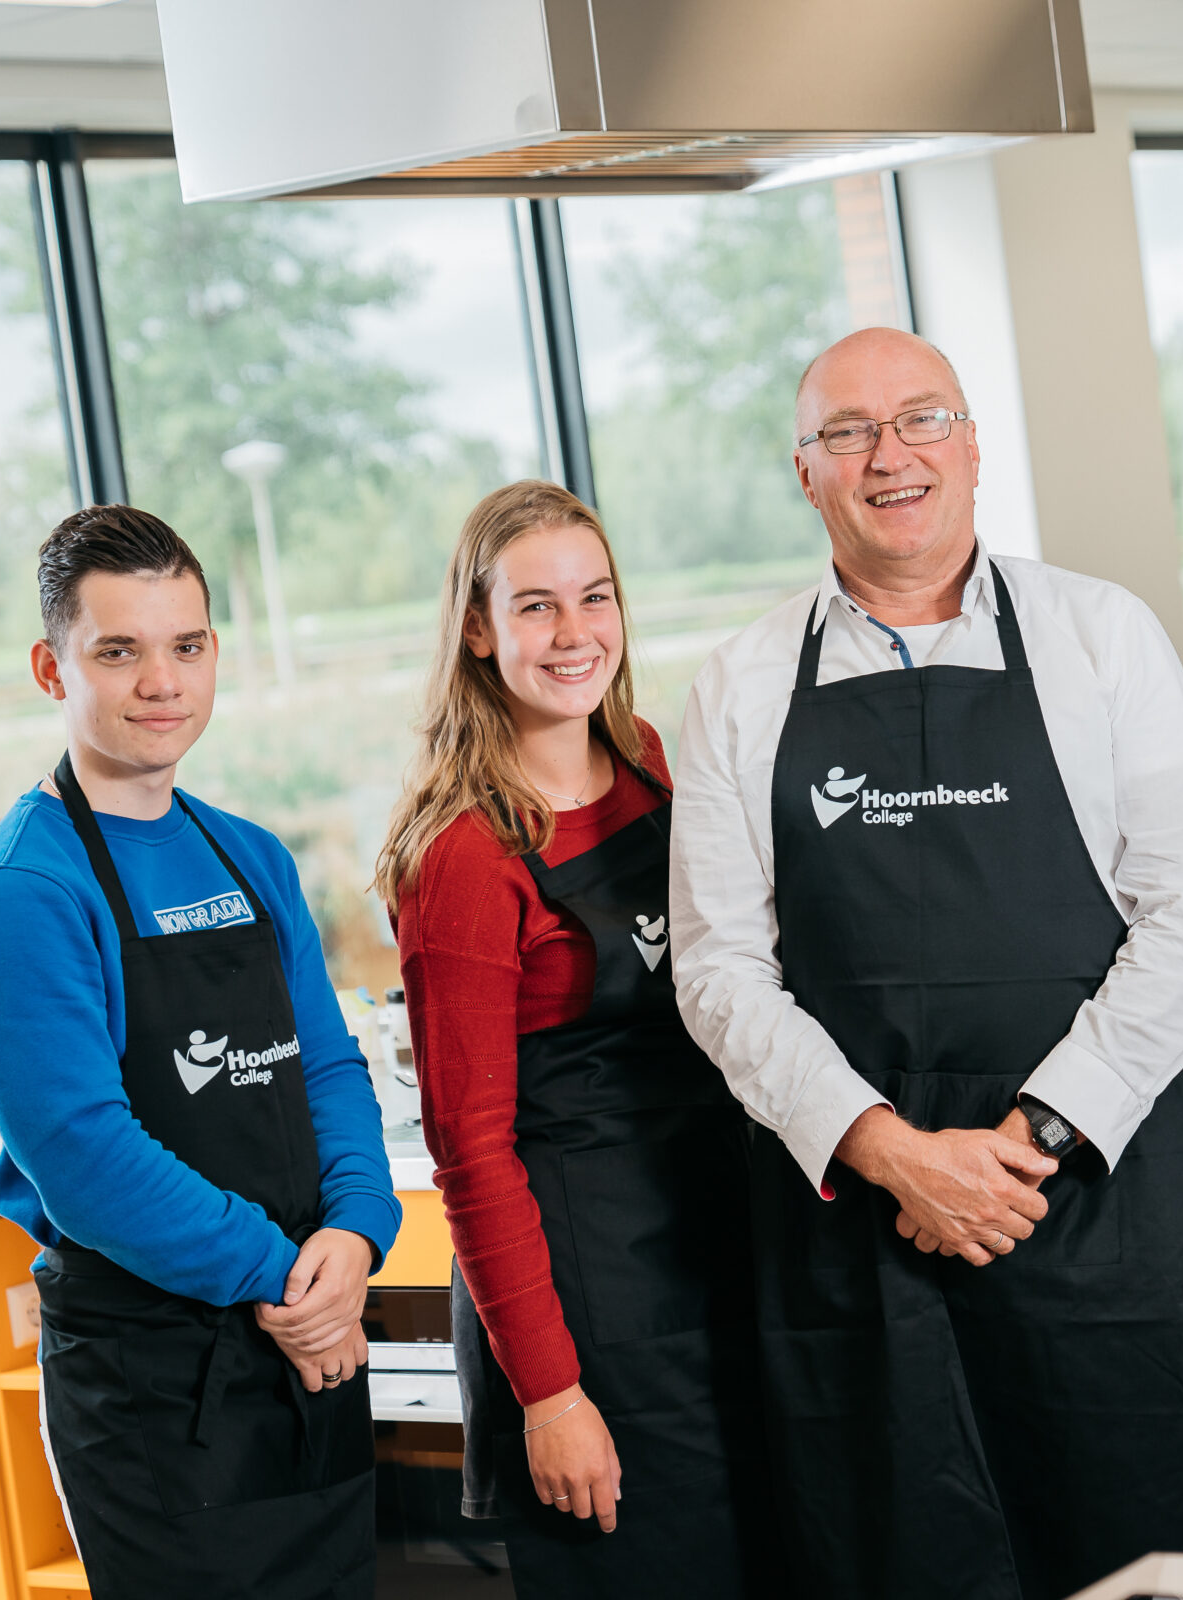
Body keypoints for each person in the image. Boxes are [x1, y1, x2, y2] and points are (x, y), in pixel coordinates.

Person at [668, 327, 1183, 1600]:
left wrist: (1027, 1142)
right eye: (849, 433)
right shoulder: (742, 685)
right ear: (803, 472)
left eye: (922, 419)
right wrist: (897, 1155)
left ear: (974, 447)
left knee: (1133, 1572)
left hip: (1093, 1215)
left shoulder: (1103, 637)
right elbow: (717, 970)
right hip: (856, 1242)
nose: (891, 456)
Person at [0, 505, 401, 1600]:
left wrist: (357, 1232)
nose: (162, 681)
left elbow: (323, 1065)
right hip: (157, 1384)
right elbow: (86, 1159)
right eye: (120, 650)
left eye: (186, 646)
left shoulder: (248, 856)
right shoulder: (20, 892)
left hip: (306, 1344)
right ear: (54, 667)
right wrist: (288, 1278)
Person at [374, 481, 781, 1595]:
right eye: (537, 606)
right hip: (584, 1304)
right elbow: (469, 1150)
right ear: (476, 628)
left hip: (706, 1253)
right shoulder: (463, 857)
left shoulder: (647, 758)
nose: (575, 633)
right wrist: (551, 1396)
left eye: (594, 597)